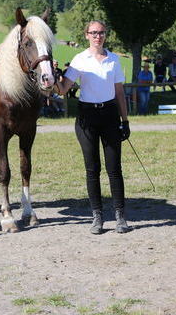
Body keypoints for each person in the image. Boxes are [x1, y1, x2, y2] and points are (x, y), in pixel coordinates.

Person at [54, 21, 130, 235]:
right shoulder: (79, 60)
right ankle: (97, 217)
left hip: (109, 115)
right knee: (92, 169)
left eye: (102, 32)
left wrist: (125, 121)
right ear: (87, 35)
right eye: (94, 32)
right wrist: (53, 75)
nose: (98, 36)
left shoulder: (114, 60)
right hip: (86, 116)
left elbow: (120, 94)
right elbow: (62, 89)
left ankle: (120, 216)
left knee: (114, 169)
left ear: (106, 35)